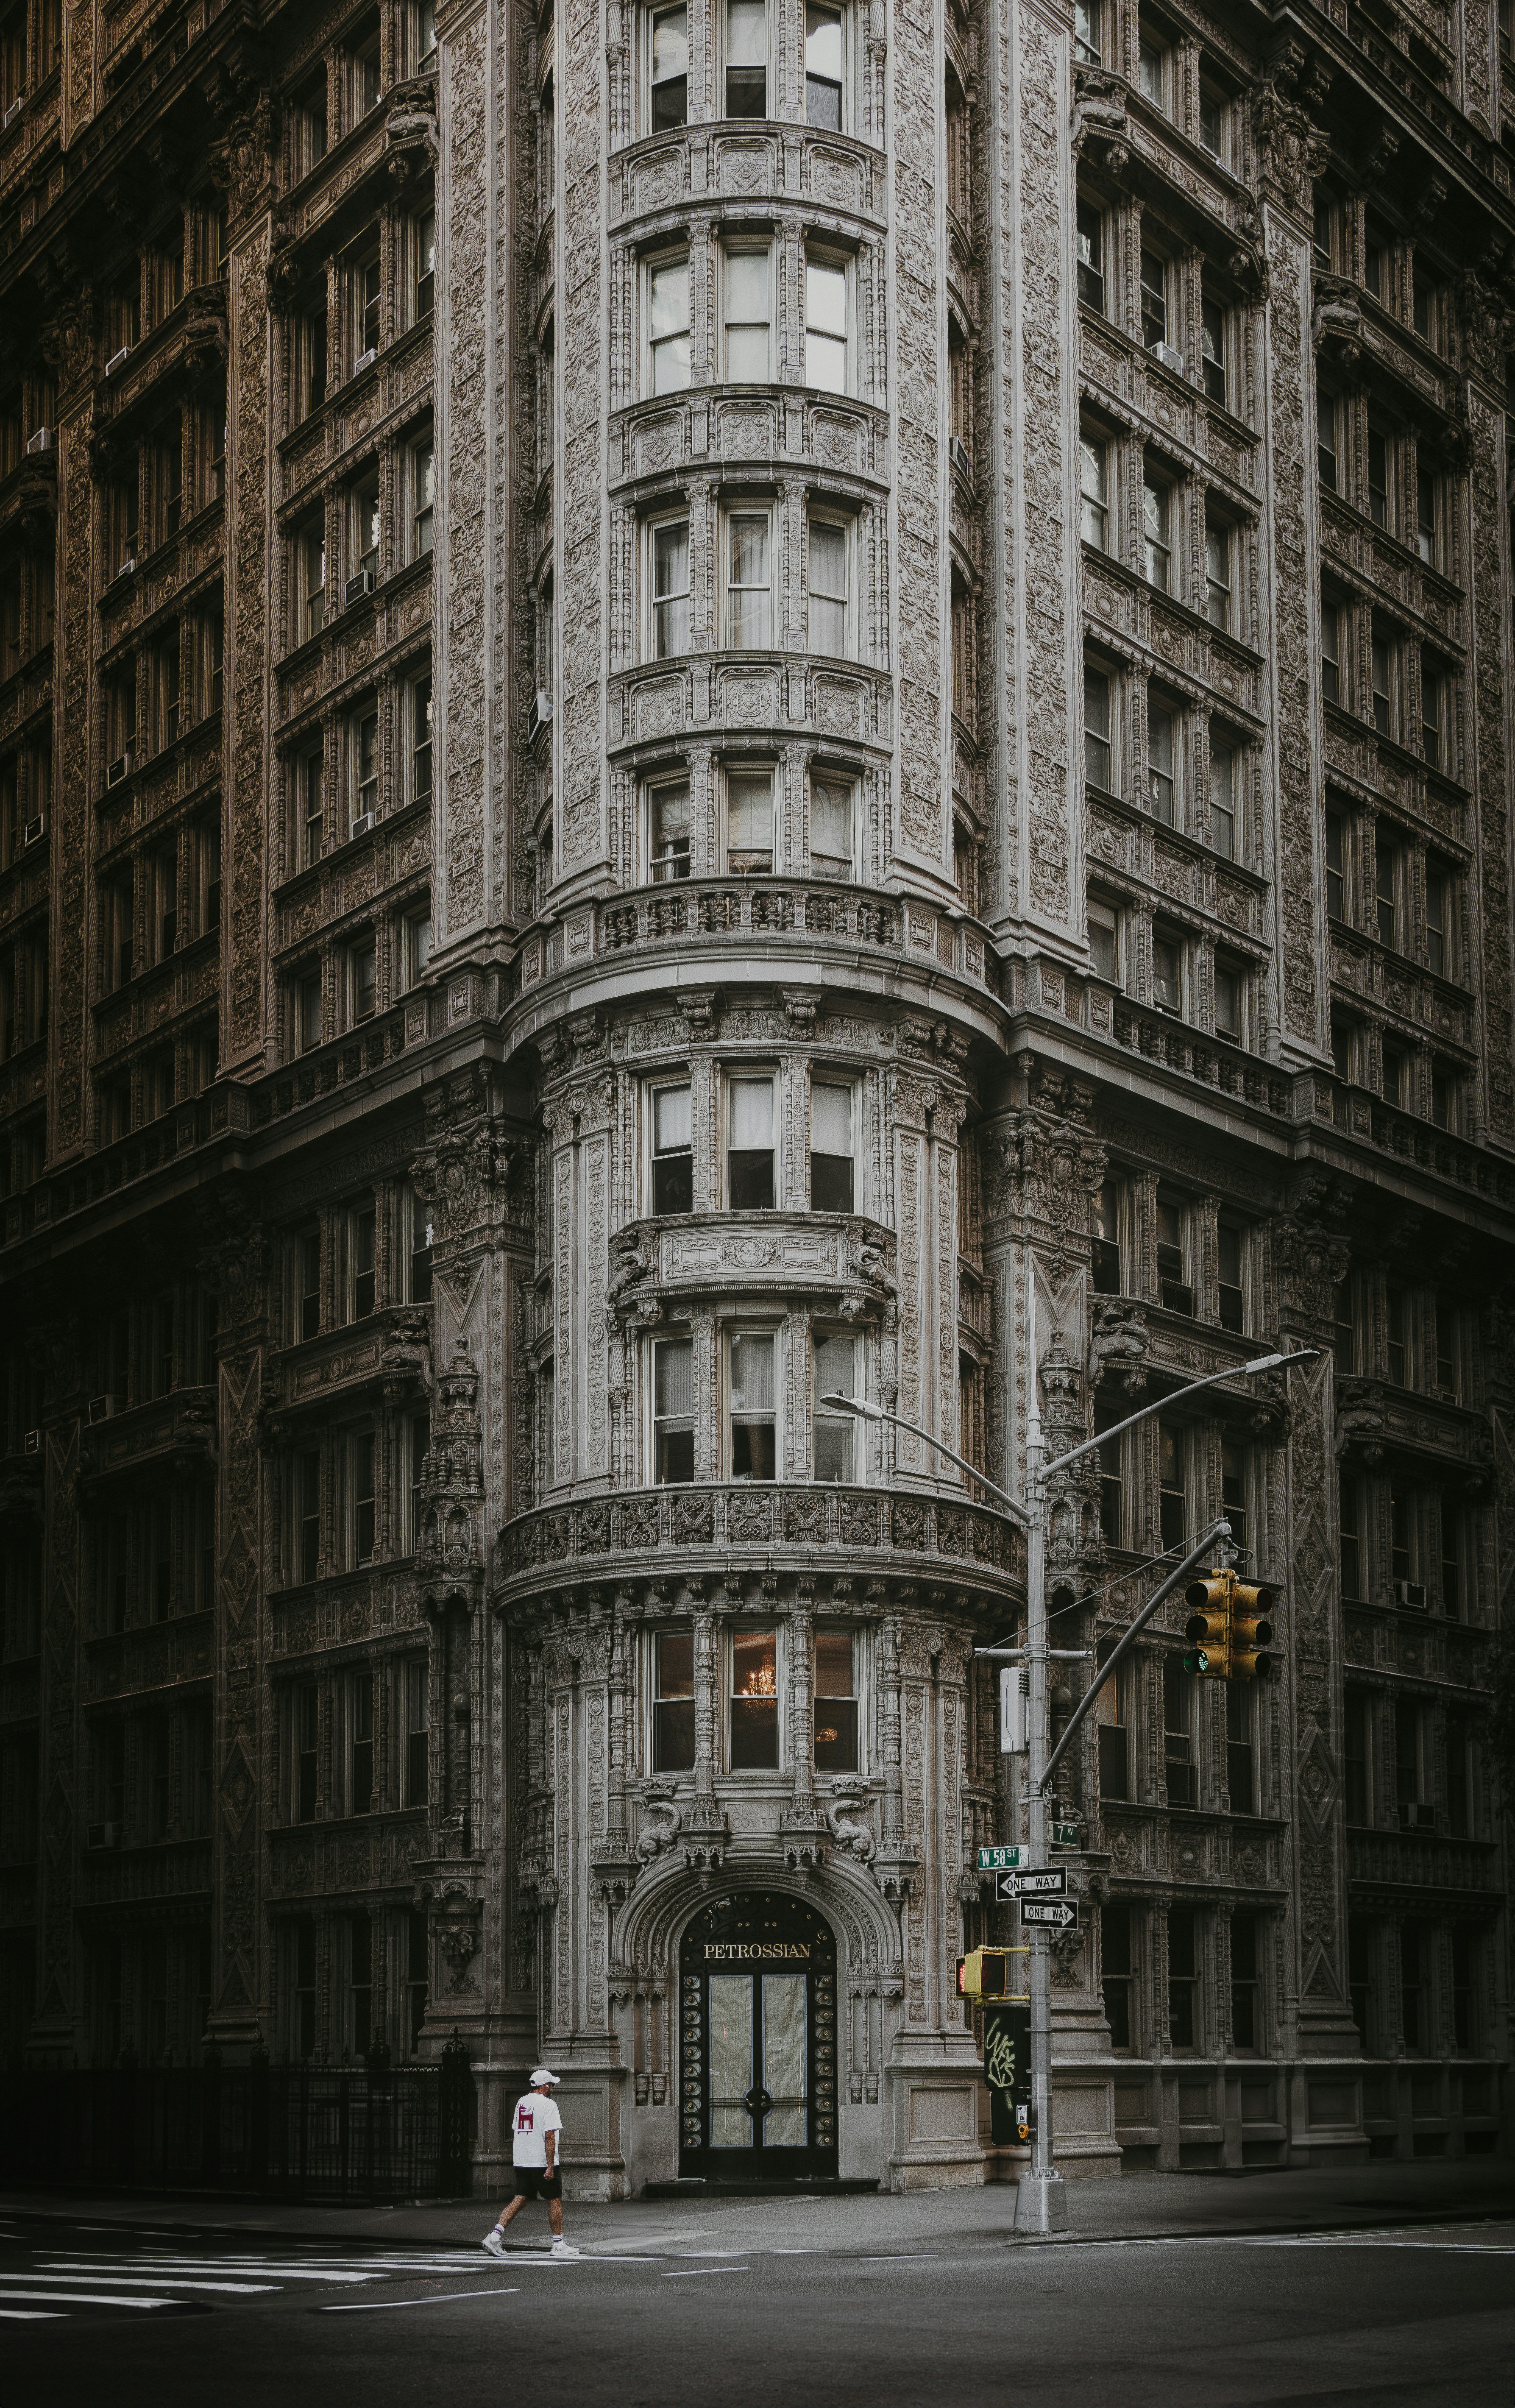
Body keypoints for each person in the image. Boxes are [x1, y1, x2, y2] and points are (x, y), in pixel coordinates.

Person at [482, 2068, 580, 2259]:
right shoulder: (549, 2104)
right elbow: (549, 2135)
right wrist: (550, 2165)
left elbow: (518, 2130)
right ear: (545, 2086)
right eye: (551, 2084)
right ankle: (558, 2244)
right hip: (541, 2162)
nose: (553, 2087)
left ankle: (494, 2237)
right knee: (554, 2200)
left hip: (522, 2161)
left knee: (520, 2199)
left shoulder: (521, 2102)